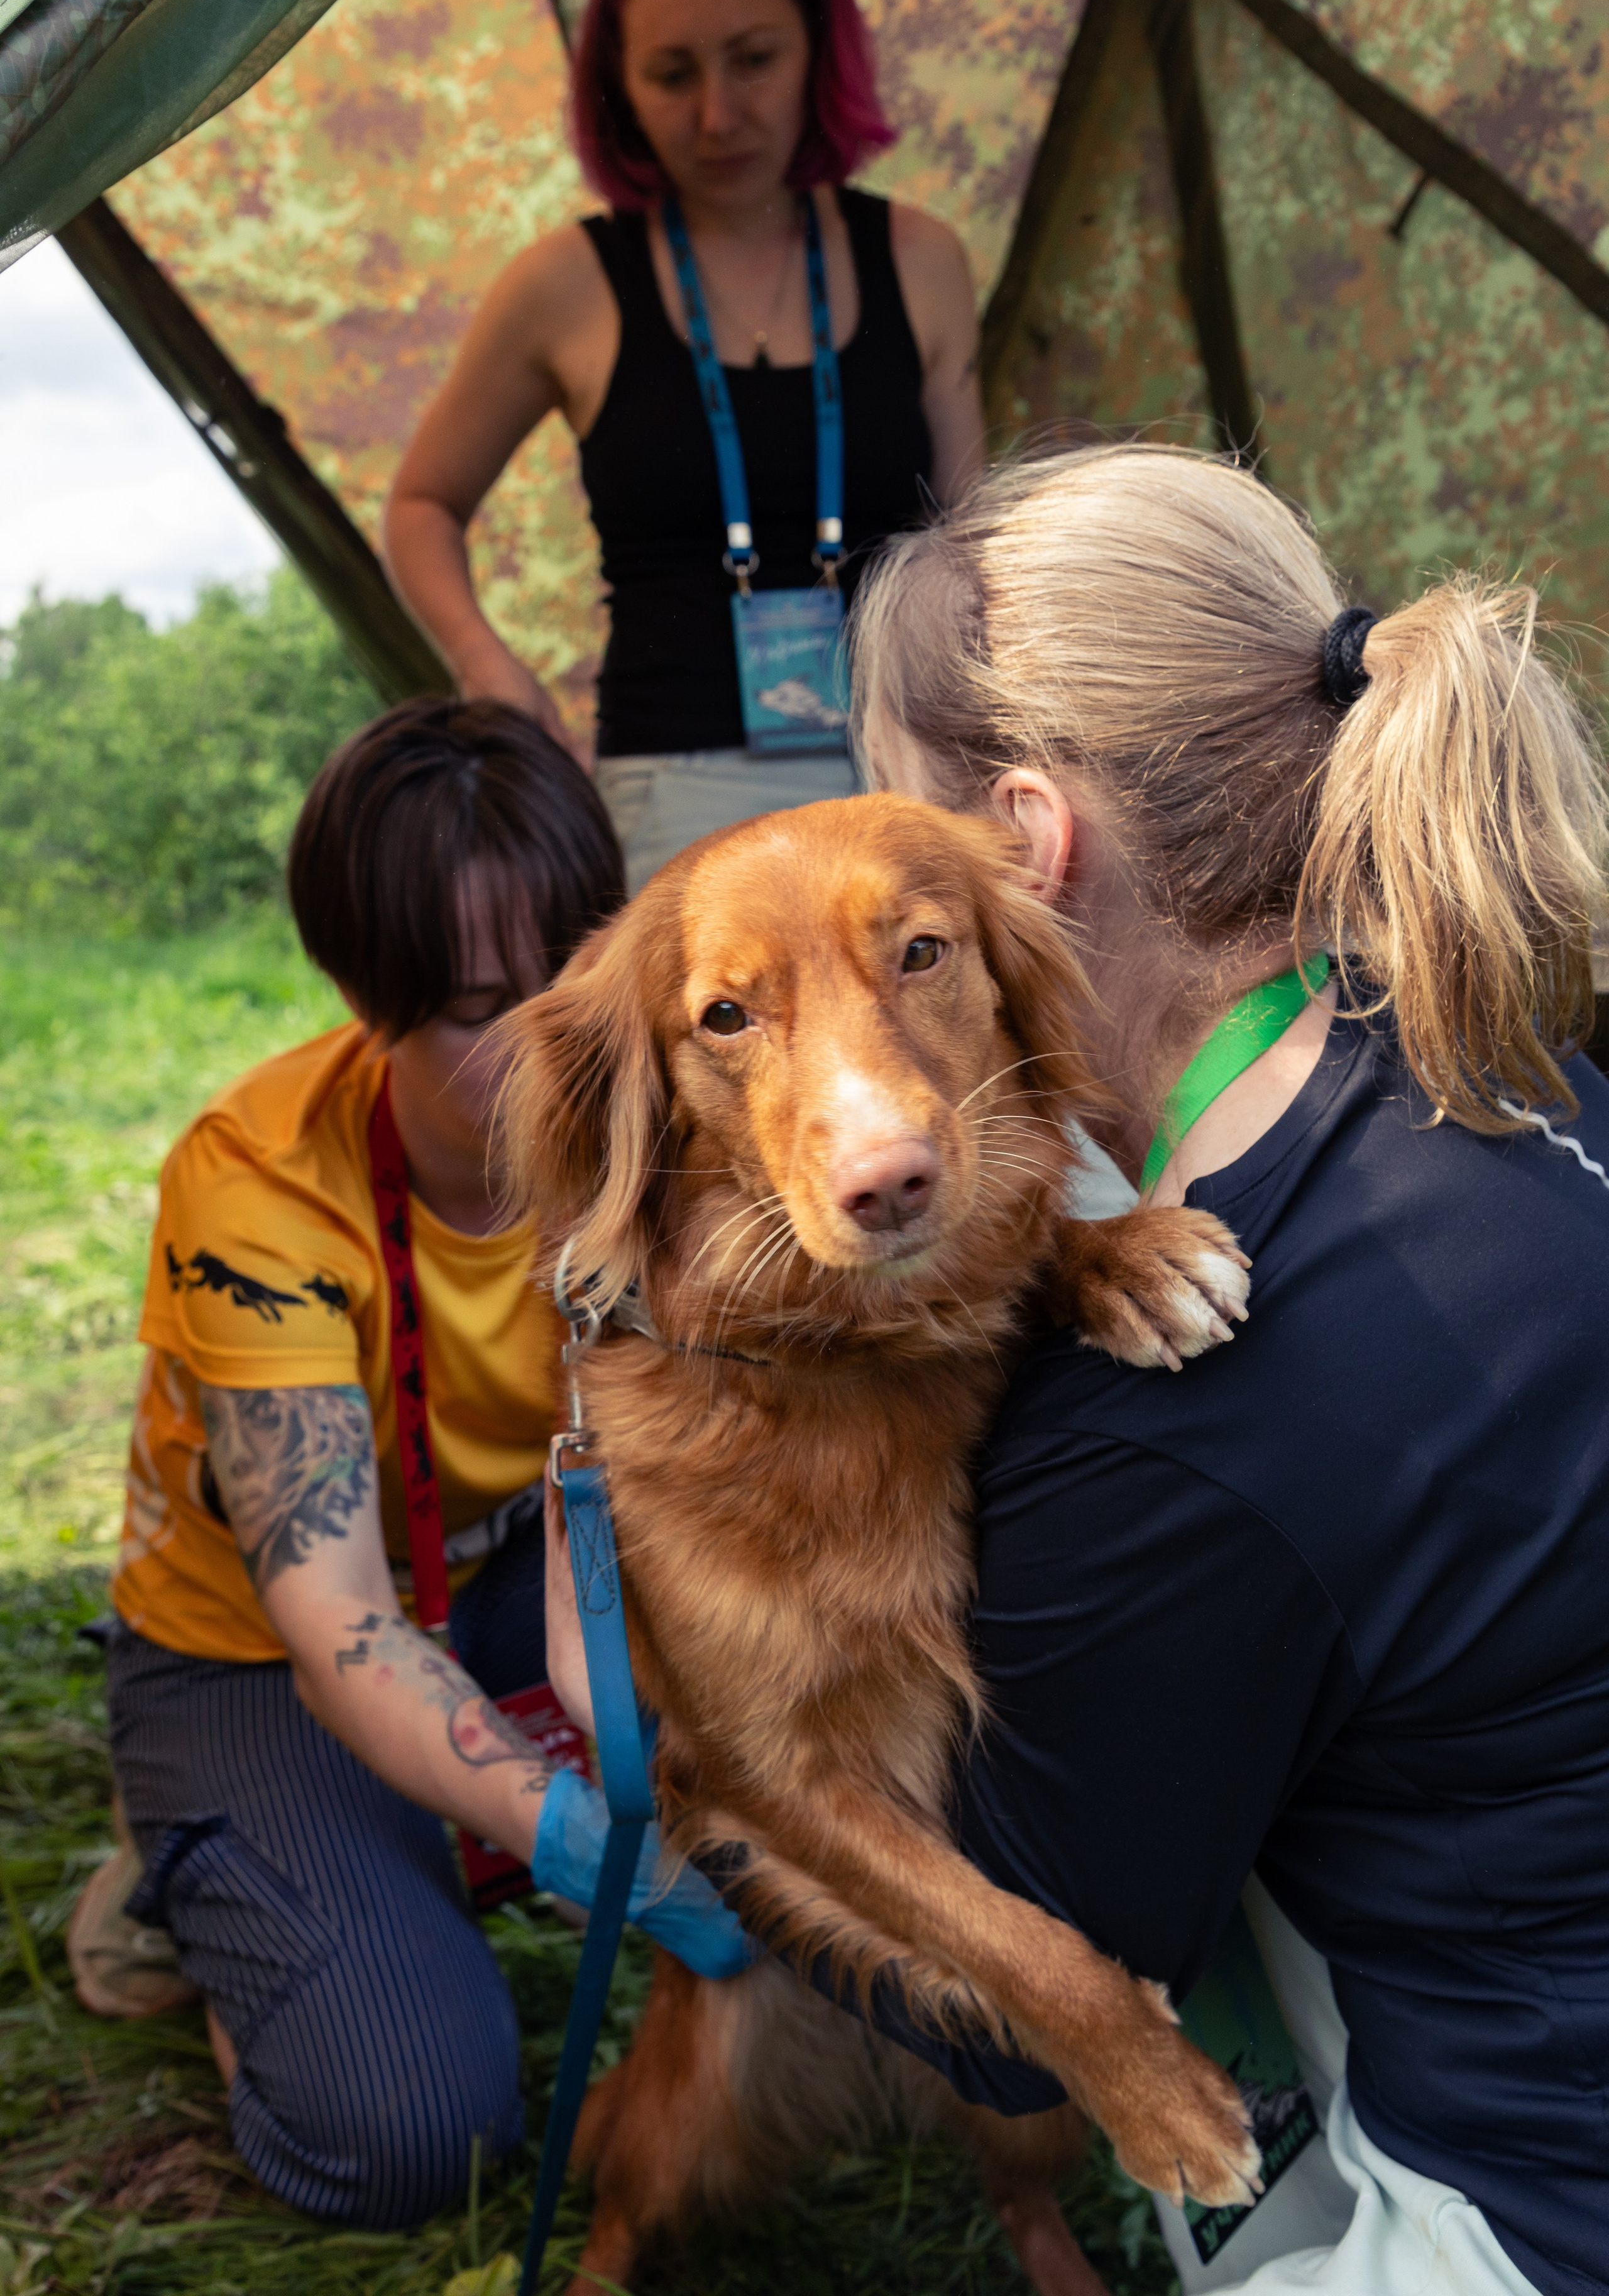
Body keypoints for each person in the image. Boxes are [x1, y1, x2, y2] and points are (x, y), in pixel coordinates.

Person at [539, 445, 1609, 2295]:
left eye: (896, 849)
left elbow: (989, 2016)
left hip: (1527, 2197)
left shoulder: (1195, 1421)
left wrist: (656, 1712)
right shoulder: (1511, 1067)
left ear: (1026, 848)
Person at [74, 699, 739, 2230]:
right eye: (462, 1008)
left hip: (501, 1567)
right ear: (363, 995)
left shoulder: (655, 1100)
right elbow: (340, 1623)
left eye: (560, 983)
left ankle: (351, 1870)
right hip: (251, 1651)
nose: (530, 1053)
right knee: (414, 2132)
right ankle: (198, 1877)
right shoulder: (257, 1194)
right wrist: (581, 1838)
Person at [383, 0, 982, 891]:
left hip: (910, 775)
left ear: (818, 49)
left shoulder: (923, 260)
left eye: (754, 60)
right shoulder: (561, 285)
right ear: (616, 82)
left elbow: (976, 539)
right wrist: (486, 665)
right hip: (668, 802)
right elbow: (420, 505)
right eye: (670, 73)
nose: (717, 114)